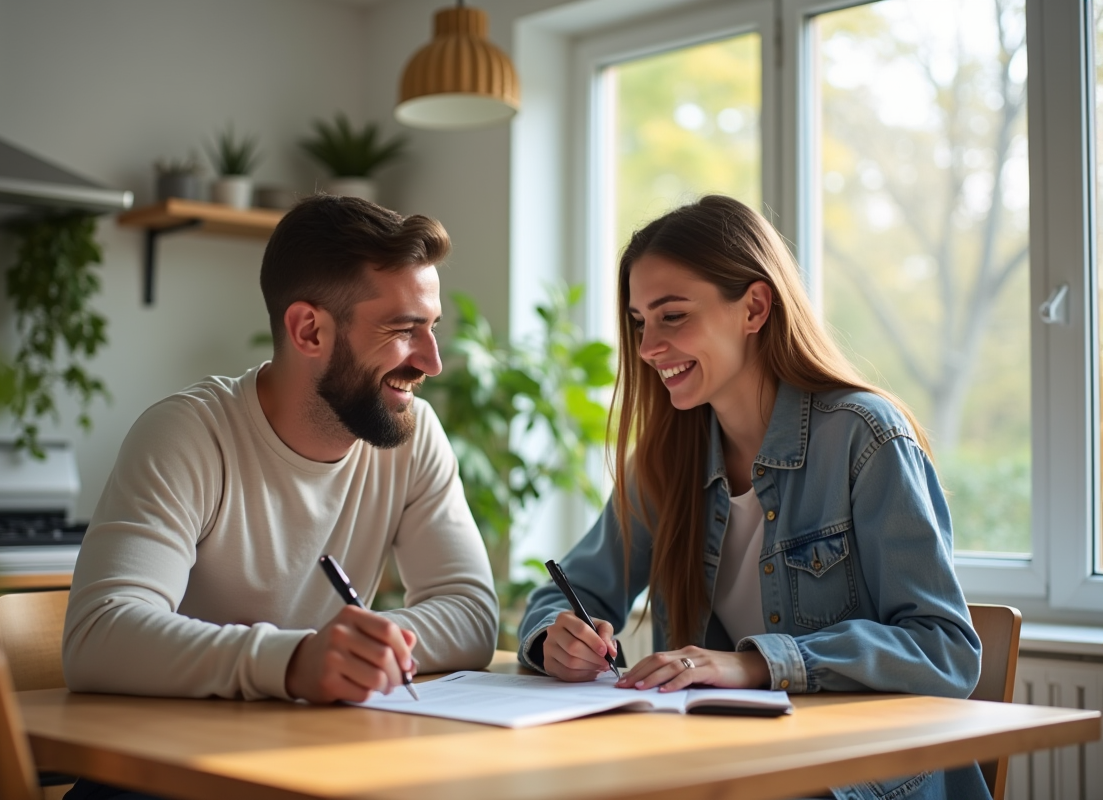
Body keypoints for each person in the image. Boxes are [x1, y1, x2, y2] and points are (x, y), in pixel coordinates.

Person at [517, 195, 989, 800]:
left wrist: (756, 664)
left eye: (673, 316)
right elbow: (573, 590)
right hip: (729, 773)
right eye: (640, 323)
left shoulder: (865, 438)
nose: (647, 348)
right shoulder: (667, 460)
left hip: (858, 783)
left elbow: (945, 648)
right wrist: (552, 640)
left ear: (755, 308)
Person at [63, 194, 497, 712]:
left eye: (432, 327)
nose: (433, 361)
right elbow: (98, 634)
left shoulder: (413, 434)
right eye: (404, 330)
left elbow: (471, 615)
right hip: (161, 770)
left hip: (304, 756)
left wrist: (354, 650)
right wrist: (294, 661)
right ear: (309, 331)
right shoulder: (188, 435)